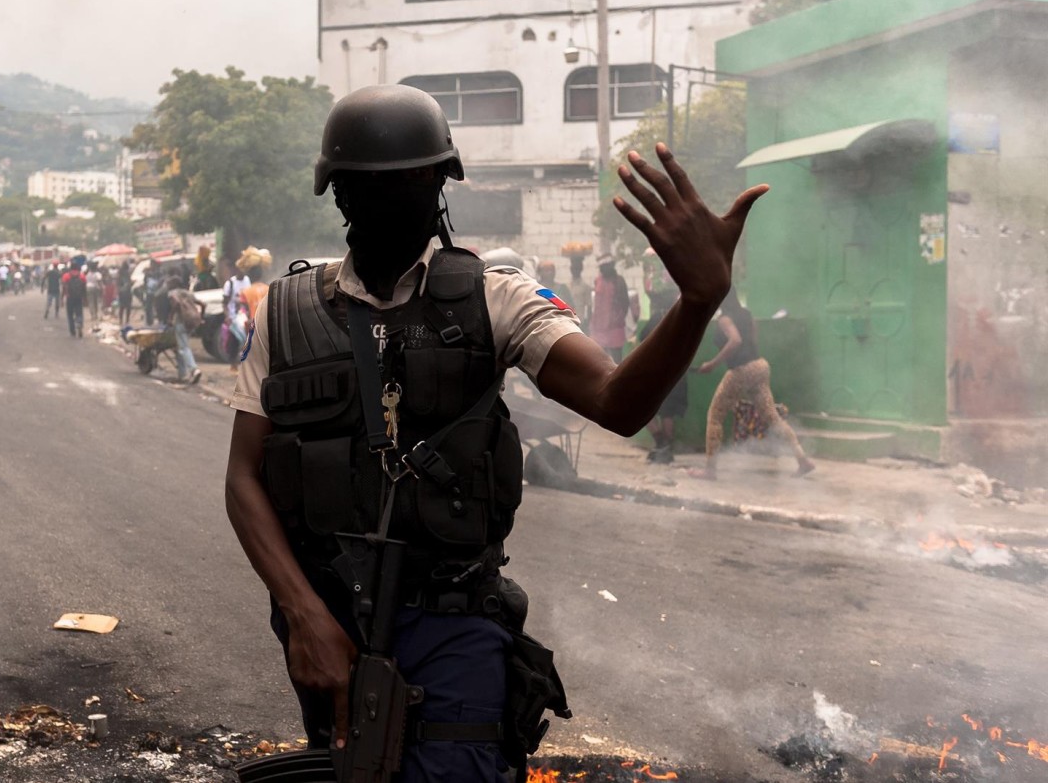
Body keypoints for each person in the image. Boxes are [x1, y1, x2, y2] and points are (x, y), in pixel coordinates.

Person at [224, 84, 766, 782]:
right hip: (332, 628)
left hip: (454, 622)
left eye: (415, 180)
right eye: (374, 186)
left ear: (441, 187)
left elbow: (617, 400)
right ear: (340, 195)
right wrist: (302, 614)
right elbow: (243, 477)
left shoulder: (495, 296)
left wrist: (697, 303)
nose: (397, 199)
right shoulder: (286, 313)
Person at [689, 291, 814, 481]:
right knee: (772, 417)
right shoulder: (746, 314)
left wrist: (712, 364)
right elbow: (753, 339)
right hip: (760, 366)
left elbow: (735, 340)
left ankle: (710, 470)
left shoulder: (725, 319)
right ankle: (802, 460)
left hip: (741, 370)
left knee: (715, 416)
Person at [638, 288, 687, 464]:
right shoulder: (681, 319)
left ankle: (661, 443)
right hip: (678, 372)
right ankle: (665, 450)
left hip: (658, 372)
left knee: (640, 409)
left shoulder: (656, 319)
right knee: (668, 412)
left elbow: (642, 339)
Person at [589, 253, 639, 362]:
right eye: (602, 267)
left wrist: (617, 318)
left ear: (611, 266)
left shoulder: (619, 281)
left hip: (615, 327)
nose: (603, 269)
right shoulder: (598, 280)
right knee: (600, 359)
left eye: (606, 266)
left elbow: (625, 303)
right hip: (599, 327)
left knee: (616, 360)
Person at [168, 283, 204, 384]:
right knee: (181, 348)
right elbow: (202, 304)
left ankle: (194, 369)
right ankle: (182, 374)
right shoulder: (188, 294)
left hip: (181, 323)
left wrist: (170, 317)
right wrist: (201, 316)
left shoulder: (173, 293)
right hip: (191, 323)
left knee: (184, 348)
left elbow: (175, 304)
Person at [63, 261, 86, 338]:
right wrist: (85, 299)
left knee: (70, 315)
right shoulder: (82, 276)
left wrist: (62, 298)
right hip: (79, 298)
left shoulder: (66, 276)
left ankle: (72, 331)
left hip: (70, 298)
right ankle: (79, 323)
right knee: (79, 313)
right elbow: (84, 289)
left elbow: (64, 288)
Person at [117, 261, 134, 327]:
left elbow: (118, 284)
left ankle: (121, 320)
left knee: (121, 307)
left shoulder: (120, 274)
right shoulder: (127, 274)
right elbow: (129, 283)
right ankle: (127, 320)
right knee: (128, 307)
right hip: (127, 292)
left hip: (121, 293)